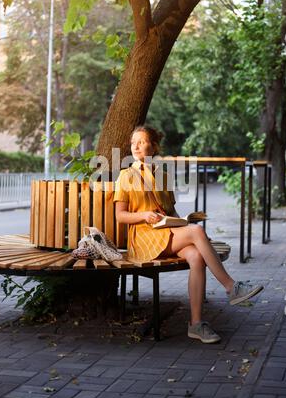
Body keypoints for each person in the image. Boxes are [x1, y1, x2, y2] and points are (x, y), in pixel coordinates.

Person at [113, 126, 263, 344]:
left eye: (142, 141)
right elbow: (120, 216)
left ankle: (196, 324)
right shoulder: (126, 176)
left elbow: (170, 212)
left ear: (153, 147)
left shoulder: (163, 175)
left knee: (196, 255)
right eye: (133, 142)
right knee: (198, 232)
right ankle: (232, 287)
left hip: (165, 233)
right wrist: (144, 215)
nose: (135, 146)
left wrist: (184, 223)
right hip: (144, 238)